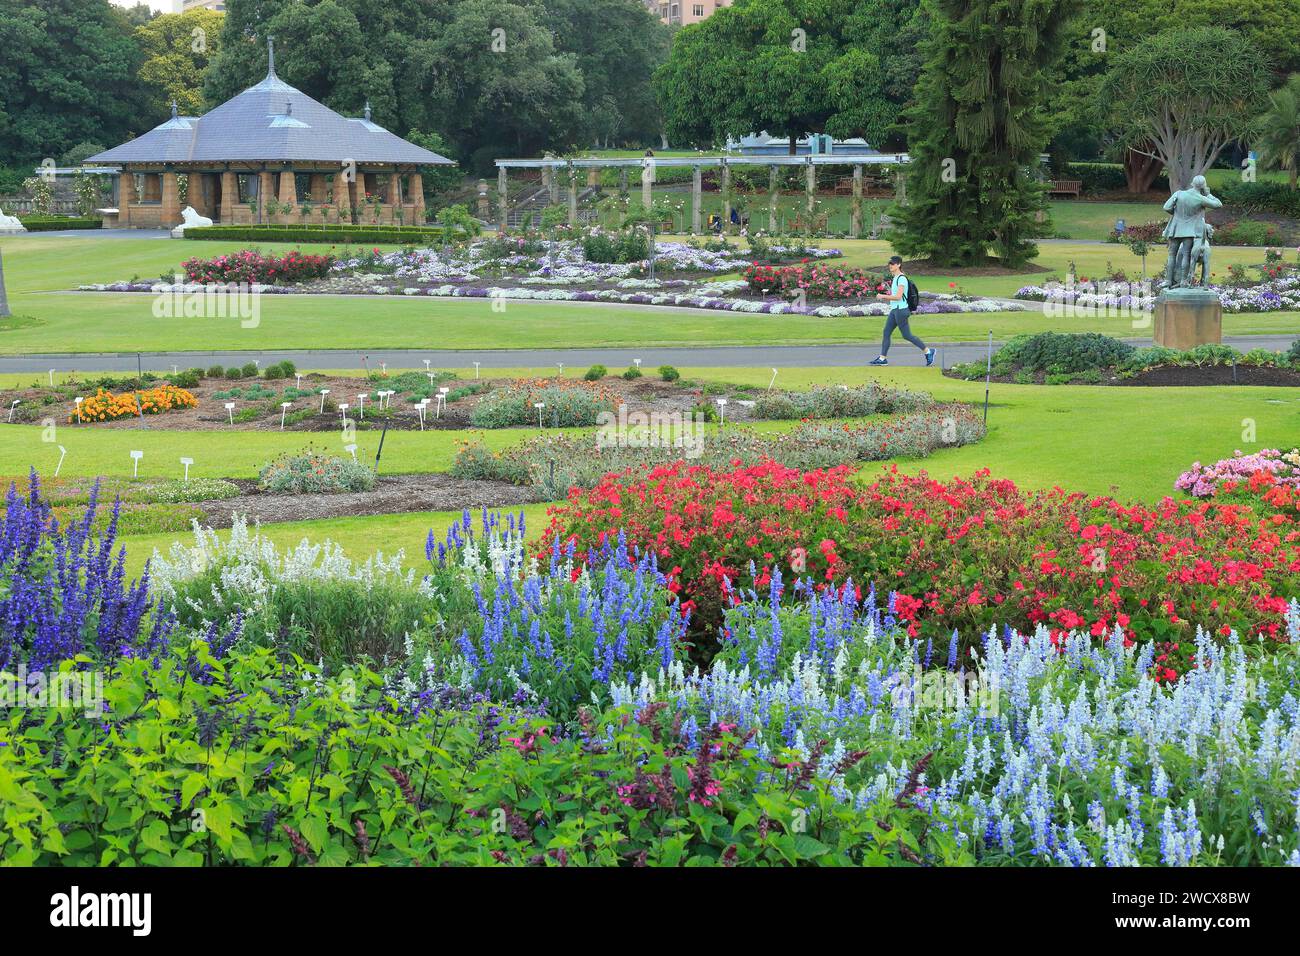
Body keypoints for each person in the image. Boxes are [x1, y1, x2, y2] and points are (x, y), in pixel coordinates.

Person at [870, 256, 935, 366]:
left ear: (899, 264)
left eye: (893, 263)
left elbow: (898, 296)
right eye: (890, 263)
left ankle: (928, 351)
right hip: (895, 310)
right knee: (886, 332)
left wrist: (883, 296)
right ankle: (882, 358)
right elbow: (895, 295)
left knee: (907, 335)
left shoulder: (901, 279)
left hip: (901, 310)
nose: (890, 265)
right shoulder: (895, 278)